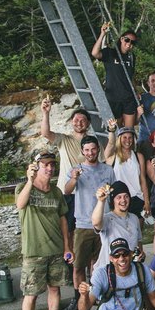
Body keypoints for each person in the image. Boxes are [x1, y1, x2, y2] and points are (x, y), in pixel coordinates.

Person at [15, 151, 72, 310]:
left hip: (56, 250)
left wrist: (67, 246)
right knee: (30, 293)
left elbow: (63, 220)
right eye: (45, 164)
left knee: (55, 288)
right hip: (34, 252)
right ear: (36, 166)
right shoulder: (24, 188)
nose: (50, 168)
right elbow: (20, 204)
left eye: (52, 165)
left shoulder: (56, 192)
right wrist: (30, 181)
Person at [62, 135, 115, 310]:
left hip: (104, 223)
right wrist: (74, 179)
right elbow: (66, 191)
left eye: (93, 149)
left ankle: (97, 301)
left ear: (98, 150)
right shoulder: (76, 170)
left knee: (98, 265)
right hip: (83, 224)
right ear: (82, 151)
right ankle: (79, 303)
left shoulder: (108, 170)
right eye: (87, 150)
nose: (90, 153)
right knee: (78, 266)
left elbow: (114, 195)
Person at [39, 97, 91, 228]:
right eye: (76, 120)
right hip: (66, 192)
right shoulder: (64, 140)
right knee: (66, 229)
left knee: (85, 229)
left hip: (86, 193)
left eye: (82, 120)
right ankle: (68, 250)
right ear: (71, 123)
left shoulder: (92, 143)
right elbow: (45, 133)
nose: (79, 123)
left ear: (88, 123)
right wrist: (45, 113)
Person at [90, 22, 138, 127]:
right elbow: (95, 53)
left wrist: (136, 91)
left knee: (129, 130)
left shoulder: (132, 57)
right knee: (117, 129)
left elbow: (131, 76)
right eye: (127, 40)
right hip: (113, 98)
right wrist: (102, 34)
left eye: (133, 42)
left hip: (128, 98)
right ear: (121, 39)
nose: (129, 44)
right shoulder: (110, 53)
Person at [92, 181, 144, 268]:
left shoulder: (134, 218)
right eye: (118, 197)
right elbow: (96, 223)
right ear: (113, 200)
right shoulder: (107, 219)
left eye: (126, 196)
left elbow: (138, 241)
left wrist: (140, 254)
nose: (123, 200)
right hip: (109, 269)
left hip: (129, 268)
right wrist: (101, 201)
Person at [103, 124, 150, 219]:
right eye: (124, 137)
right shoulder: (113, 157)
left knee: (137, 230)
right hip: (119, 198)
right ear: (119, 139)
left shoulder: (138, 156)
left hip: (137, 197)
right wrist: (111, 130)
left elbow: (143, 180)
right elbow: (108, 151)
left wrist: (147, 201)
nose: (127, 140)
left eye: (130, 138)